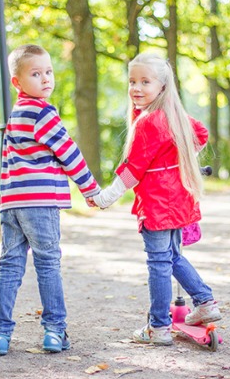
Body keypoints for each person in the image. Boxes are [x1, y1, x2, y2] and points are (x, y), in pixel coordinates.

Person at [90, 52, 221, 346]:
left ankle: (159, 327)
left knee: (159, 263)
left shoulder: (148, 122)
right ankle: (206, 303)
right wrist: (180, 157)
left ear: (161, 86)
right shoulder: (174, 115)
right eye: (132, 81)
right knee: (172, 257)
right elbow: (200, 133)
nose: (136, 88)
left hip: (158, 203)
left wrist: (105, 198)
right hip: (179, 199)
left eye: (145, 82)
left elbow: (134, 170)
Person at [0, 44, 101, 356]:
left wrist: (6, 196)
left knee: (9, 265)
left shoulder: (16, 115)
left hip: (12, 203)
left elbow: (7, 162)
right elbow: (69, 153)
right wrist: (90, 189)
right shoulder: (44, 113)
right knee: (48, 263)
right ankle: (54, 330)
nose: (45, 79)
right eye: (35, 74)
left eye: (48, 72)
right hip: (39, 202)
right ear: (18, 82)